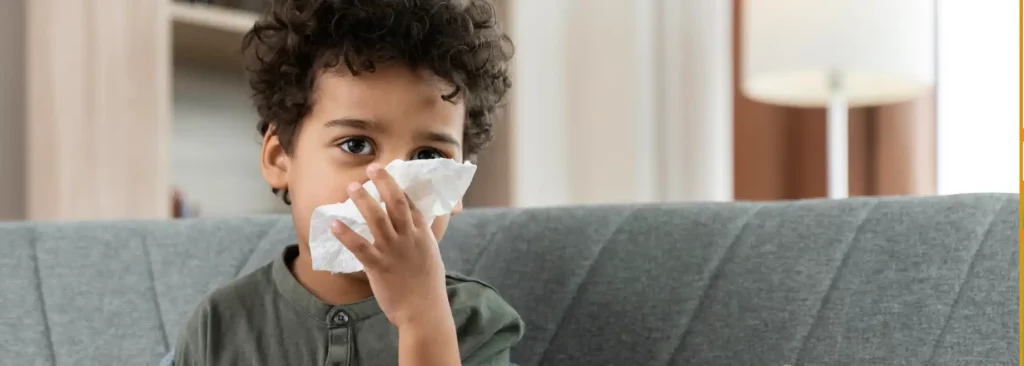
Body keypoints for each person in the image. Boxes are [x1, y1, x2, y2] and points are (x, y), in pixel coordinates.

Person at [172, 0, 521, 365]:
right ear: (279, 159)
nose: (391, 187)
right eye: (357, 145)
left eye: (428, 157)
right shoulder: (219, 328)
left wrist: (423, 318)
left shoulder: (476, 324)